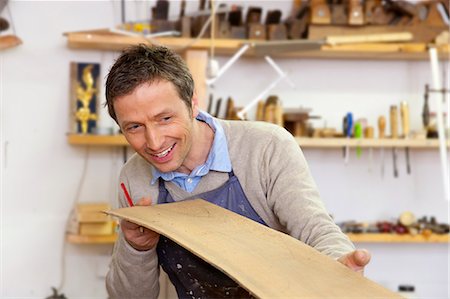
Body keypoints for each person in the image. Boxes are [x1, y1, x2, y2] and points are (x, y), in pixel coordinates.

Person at [105, 44, 370, 299]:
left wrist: (339, 271)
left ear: (193, 104)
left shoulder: (265, 147)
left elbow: (316, 229)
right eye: (134, 127)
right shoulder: (134, 178)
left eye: (165, 119)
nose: (154, 142)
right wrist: (135, 249)